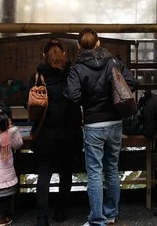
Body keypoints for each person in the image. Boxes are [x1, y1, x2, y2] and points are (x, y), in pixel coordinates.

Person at [64, 28, 137, 226]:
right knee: (112, 169)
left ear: (79, 46)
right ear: (98, 43)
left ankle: (97, 219)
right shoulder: (113, 62)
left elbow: (72, 95)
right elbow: (131, 82)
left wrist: (86, 100)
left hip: (93, 123)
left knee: (95, 172)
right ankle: (111, 214)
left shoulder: (77, 68)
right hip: (115, 122)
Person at [29, 39, 83, 226]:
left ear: (44, 56)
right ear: (64, 55)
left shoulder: (38, 77)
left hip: (45, 134)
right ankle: (61, 212)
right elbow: (77, 104)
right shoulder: (72, 75)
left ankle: (42, 217)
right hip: (68, 134)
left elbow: (30, 105)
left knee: (44, 174)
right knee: (65, 173)